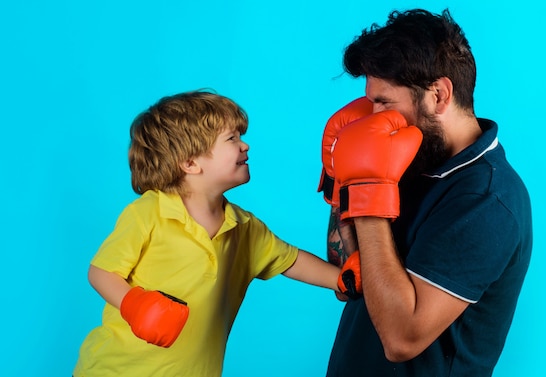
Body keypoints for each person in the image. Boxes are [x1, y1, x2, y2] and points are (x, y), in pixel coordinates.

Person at [320, 8, 533, 376]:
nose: (372, 116)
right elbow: (349, 280)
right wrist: (342, 180)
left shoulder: (487, 200)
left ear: (438, 95)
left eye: (384, 102)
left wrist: (368, 189)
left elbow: (402, 339)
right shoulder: (408, 157)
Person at [73, 90, 344, 377]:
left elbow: (291, 261)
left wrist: (343, 280)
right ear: (190, 163)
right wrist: (134, 305)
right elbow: (101, 272)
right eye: (232, 139)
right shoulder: (149, 212)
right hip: (114, 370)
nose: (245, 146)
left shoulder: (244, 226)